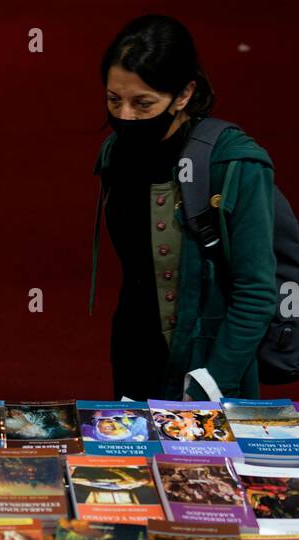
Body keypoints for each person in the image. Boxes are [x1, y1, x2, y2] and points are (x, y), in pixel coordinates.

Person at [91, 15, 277, 402]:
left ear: (183, 95)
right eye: (113, 99)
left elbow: (256, 291)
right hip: (134, 353)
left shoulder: (233, 163)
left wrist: (213, 383)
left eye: (143, 103)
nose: (124, 116)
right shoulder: (114, 153)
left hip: (208, 365)